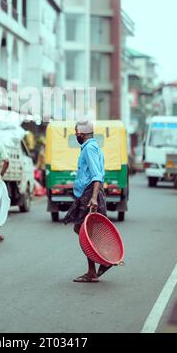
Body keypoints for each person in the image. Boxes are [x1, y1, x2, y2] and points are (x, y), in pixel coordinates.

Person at [64, 120, 110, 283]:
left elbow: (97, 175)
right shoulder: (93, 147)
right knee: (84, 231)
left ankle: (98, 265)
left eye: (76, 133)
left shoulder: (89, 148)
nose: (76, 136)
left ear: (81, 134)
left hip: (90, 192)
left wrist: (92, 198)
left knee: (85, 231)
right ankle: (97, 265)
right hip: (88, 192)